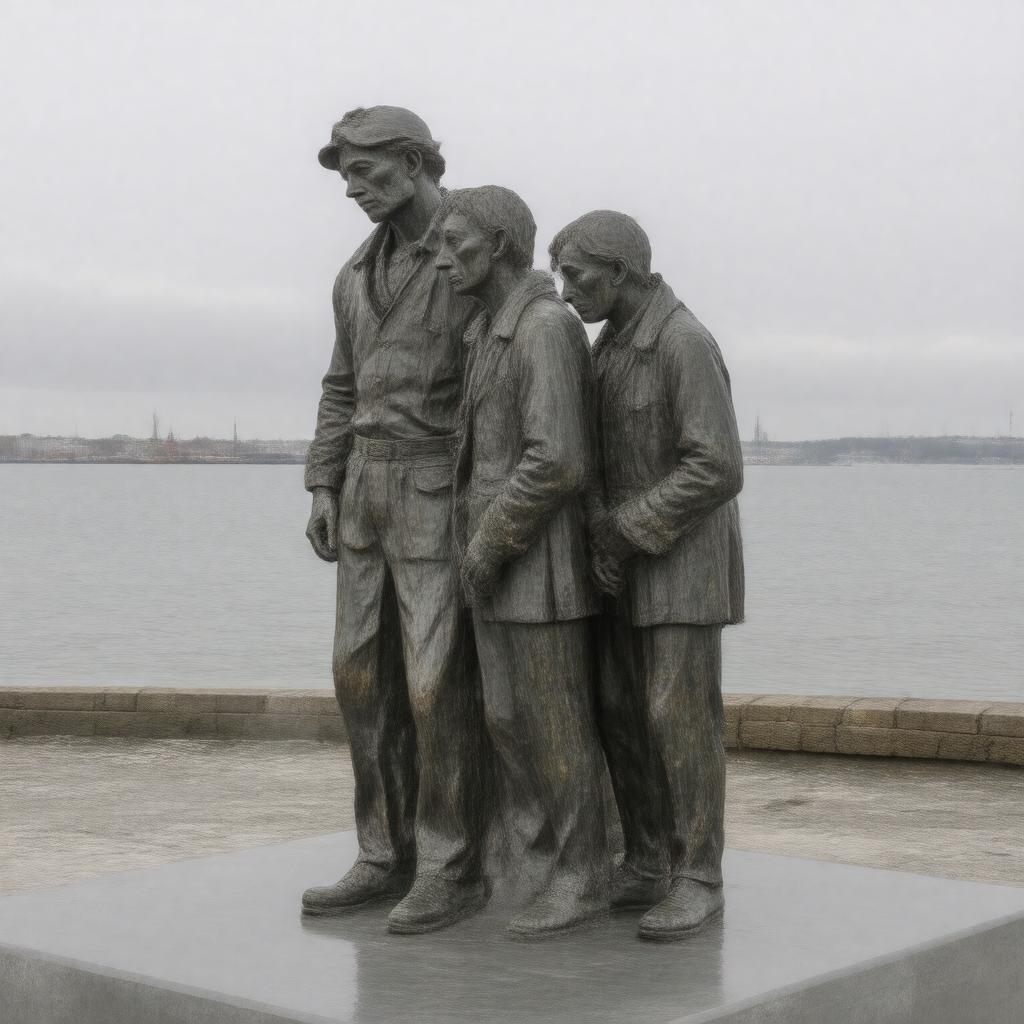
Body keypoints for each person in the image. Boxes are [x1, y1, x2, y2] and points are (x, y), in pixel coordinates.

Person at [301, 107, 489, 935]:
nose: (353, 190)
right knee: (358, 678)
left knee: (434, 681)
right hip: (364, 497)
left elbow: (509, 375)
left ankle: (450, 864)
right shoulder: (351, 275)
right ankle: (382, 853)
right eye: (345, 177)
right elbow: (340, 387)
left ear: (414, 163)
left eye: (367, 174)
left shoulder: (470, 254)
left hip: (437, 492)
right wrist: (321, 485)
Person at [549, 210, 744, 941]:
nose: (565, 291)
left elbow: (717, 466)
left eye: (577, 275)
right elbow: (593, 454)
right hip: (622, 568)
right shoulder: (607, 349)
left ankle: (699, 876)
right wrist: (602, 530)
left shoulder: (683, 343)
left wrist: (624, 529)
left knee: (679, 717)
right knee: (620, 710)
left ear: (621, 272)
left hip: (683, 570)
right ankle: (650, 858)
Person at [436, 186, 608, 937]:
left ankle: (584, 872)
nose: (442, 261)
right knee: (507, 720)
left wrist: (487, 543)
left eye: (456, 246)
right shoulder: (486, 331)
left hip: (537, 569)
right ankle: (535, 862)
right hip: (493, 569)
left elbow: (556, 459)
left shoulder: (545, 327)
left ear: (501, 245)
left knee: (556, 727)